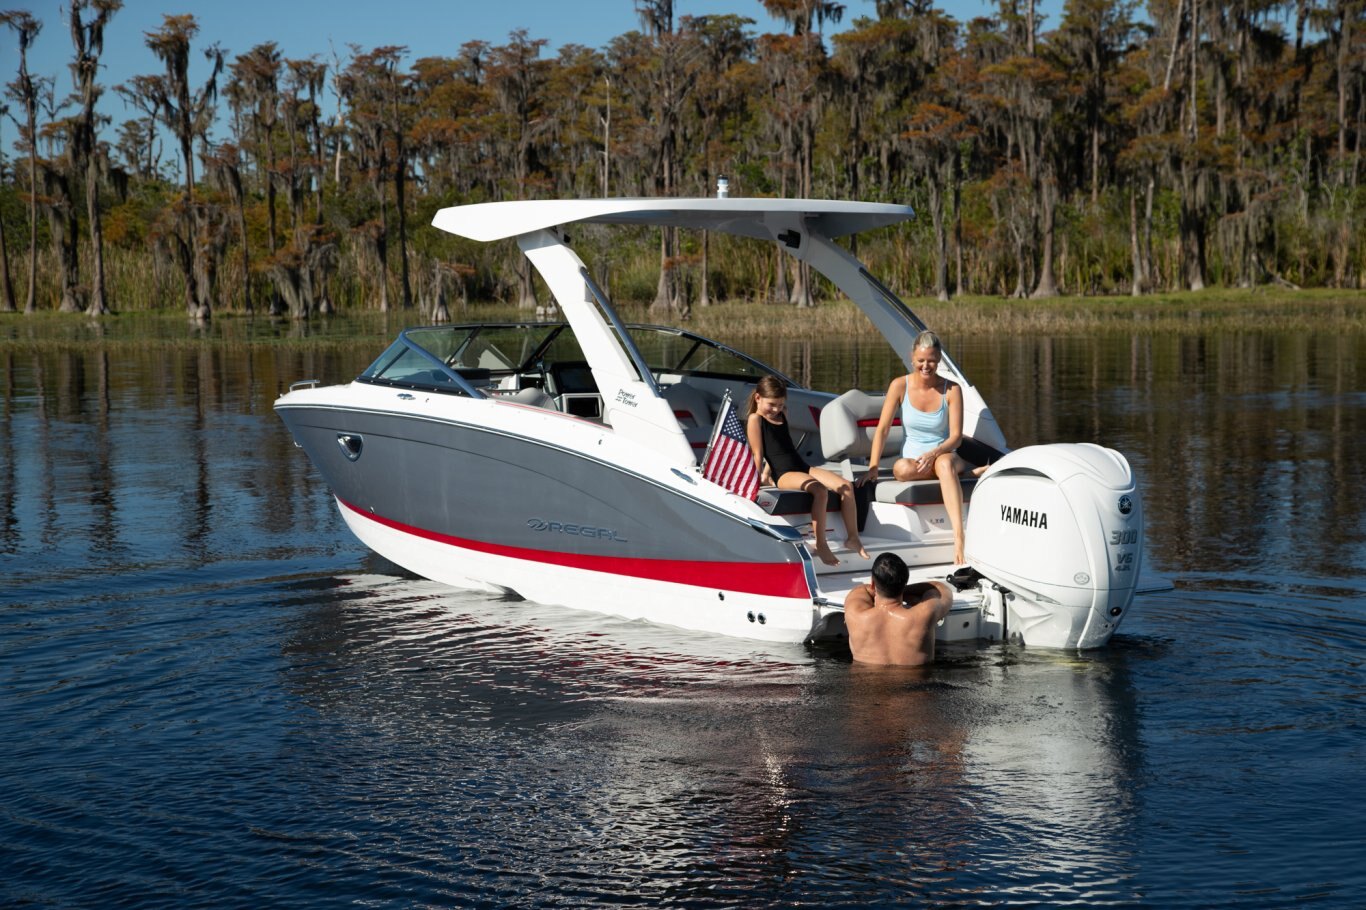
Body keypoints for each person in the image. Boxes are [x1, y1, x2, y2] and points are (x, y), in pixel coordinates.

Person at [862, 330, 979, 566]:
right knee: (901, 469)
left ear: (939, 360)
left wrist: (935, 453)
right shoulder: (899, 385)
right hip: (914, 463)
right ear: (912, 358)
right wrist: (873, 466)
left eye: (932, 361)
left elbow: (956, 437)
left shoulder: (951, 389)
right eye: (921, 360)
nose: (926, 366)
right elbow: (883, 429)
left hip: (945, 455)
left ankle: (959, 536)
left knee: (944, 464)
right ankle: (965, 474)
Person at [746, 374, 868, 566]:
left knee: (846, 486)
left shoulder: (783, 414)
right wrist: (756, 481)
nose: (776, 409)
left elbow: (782, 445)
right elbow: (758, 454)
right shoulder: (755, 419)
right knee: (819, 490)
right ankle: (821, 543)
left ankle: (853, 538)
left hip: (801, 466)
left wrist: (766, 474)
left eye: (780, 404)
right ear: (758, 398)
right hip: (784, 474)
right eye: (772, 404)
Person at [843, 552, 953, 666]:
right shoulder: (924, 613)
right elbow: (940, 588)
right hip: (917, 677)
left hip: (864, 676)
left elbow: (862, 589)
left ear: (872, 583)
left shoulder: (855, 612)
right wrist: (901, 589)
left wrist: (885, 587)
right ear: (904, 582)